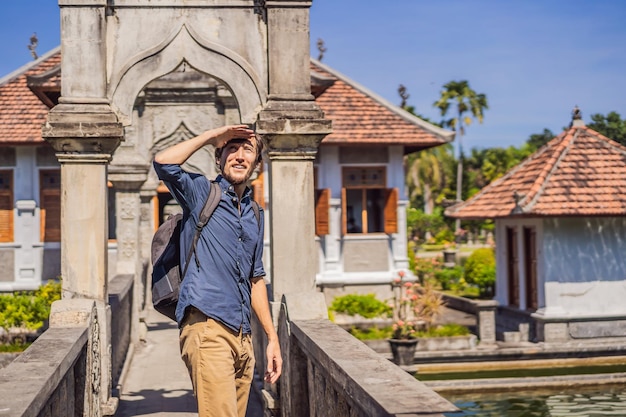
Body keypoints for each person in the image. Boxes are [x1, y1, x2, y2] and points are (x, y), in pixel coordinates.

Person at [153, 124, 282, 417]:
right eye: (231, 148)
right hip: (207, 327)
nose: (239, 156)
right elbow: (163, 162)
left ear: (257, 163)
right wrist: (213, 135)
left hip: (243, 336)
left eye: (247, 150)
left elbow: (256, 279)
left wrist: (272, 339)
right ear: (219, 157)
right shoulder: (201, 194)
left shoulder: (255, 214)